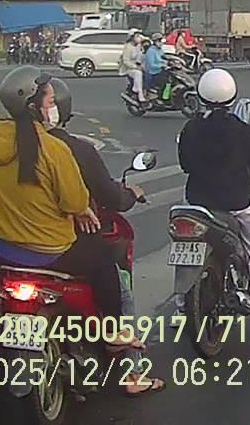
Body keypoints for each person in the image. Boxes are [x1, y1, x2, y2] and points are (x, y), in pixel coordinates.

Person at [0, 66, 141, 348]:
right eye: (50, 100)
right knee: (105, 260)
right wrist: (81, 210)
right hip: (49, 251)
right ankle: (113, 332)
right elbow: (75, 201)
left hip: (3, 248)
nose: (53, 106)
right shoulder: (55, 149)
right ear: (35, 107)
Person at [42, 78, 164, 395]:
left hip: (13, 247)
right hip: (61, 245)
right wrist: (129, 194)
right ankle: (133, 370)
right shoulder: (72, 150)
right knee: (121, 288)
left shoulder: (8, 146)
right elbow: (107, 196)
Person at [178, 69, 250, 335]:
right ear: (232, 97)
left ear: (201, 96)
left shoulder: (190, 128)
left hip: (197, 204)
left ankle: (181, 307)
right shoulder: (242, 131)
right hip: (237, 204)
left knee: (186, 251)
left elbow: (186, 164)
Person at [119, 32, 145, 100]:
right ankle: (139, 93)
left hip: (138, 66)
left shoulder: (139, 46)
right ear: (132, 37)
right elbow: (126, 61)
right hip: (129, 68)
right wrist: (136, 67)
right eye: (137, 36)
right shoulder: (128, 47)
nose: (139, 38)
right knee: (138, 73)